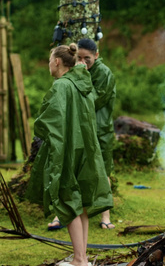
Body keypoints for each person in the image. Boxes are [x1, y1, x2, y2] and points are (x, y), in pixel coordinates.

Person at [26, 43, 113, 266]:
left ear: (56, 61)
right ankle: (82, 257)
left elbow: (48, 121)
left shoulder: (62, 86)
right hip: (85, 149)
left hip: (67, 150)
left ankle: (79, 260)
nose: (48, 66)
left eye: (49, 61)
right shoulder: (84, 84)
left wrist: (40, 129)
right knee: (81, 204)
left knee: (68, 200)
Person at [48, 38, 117, 231]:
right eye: (79, 58)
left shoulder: (104, 74)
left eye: (87, 58)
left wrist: (81, 75)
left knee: (103, 169)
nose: (83, 62)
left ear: (96, 55)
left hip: (100, 130)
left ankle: (105, 215)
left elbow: (92, 100)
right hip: (79, 130)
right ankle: (62, 213)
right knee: (73, 169)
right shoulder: (74, 73)